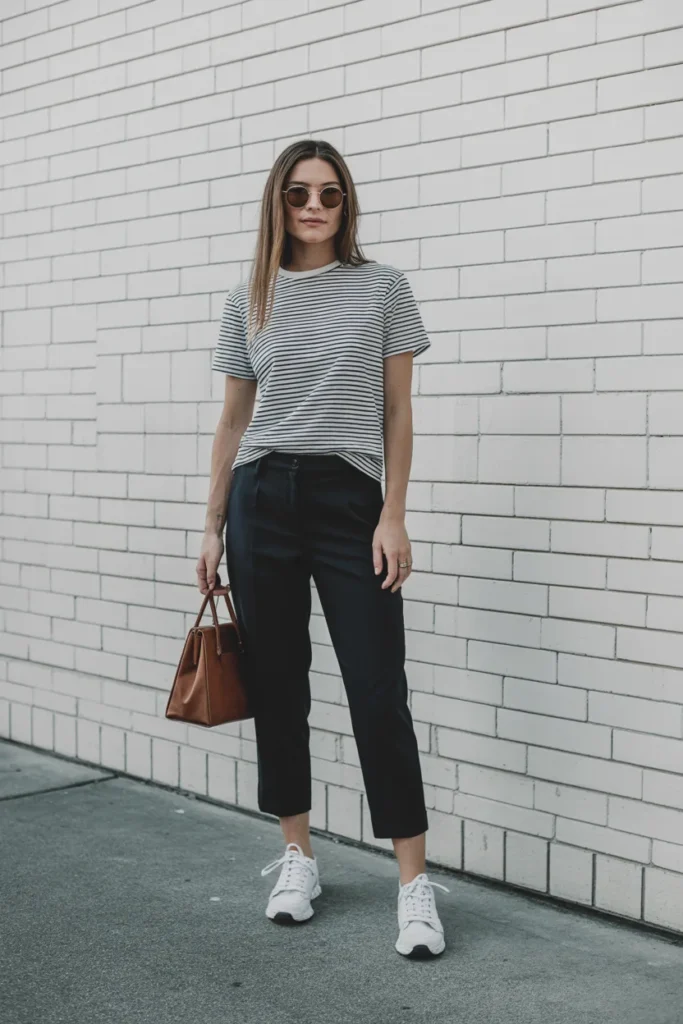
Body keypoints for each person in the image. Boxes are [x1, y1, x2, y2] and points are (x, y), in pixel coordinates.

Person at [196, 138, 448, 959]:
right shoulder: (250, 296)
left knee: (377, 689)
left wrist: (393, 512)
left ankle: (412, 883)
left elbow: (398, 413)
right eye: (299, 193)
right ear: (277, 201)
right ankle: (296, 856)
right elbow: (234, 421)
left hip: (349, 500)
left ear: (347, 204)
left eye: (329, 194)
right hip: (260, 498)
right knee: (279, 687)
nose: (313, 206)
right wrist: (210, 523)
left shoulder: (382, 288)